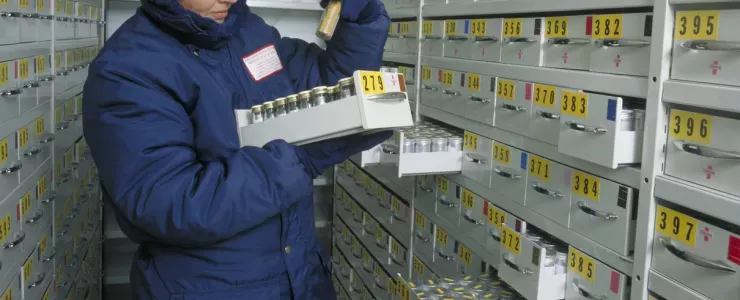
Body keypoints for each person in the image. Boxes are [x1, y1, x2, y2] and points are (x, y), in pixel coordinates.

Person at [81, 0, 391, 297]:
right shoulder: (127, 70)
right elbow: (169, 202)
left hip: (302, 277)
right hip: (210, 289)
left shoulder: (247, 33)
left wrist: (359, 23)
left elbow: (327, 90)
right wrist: (299, 160)